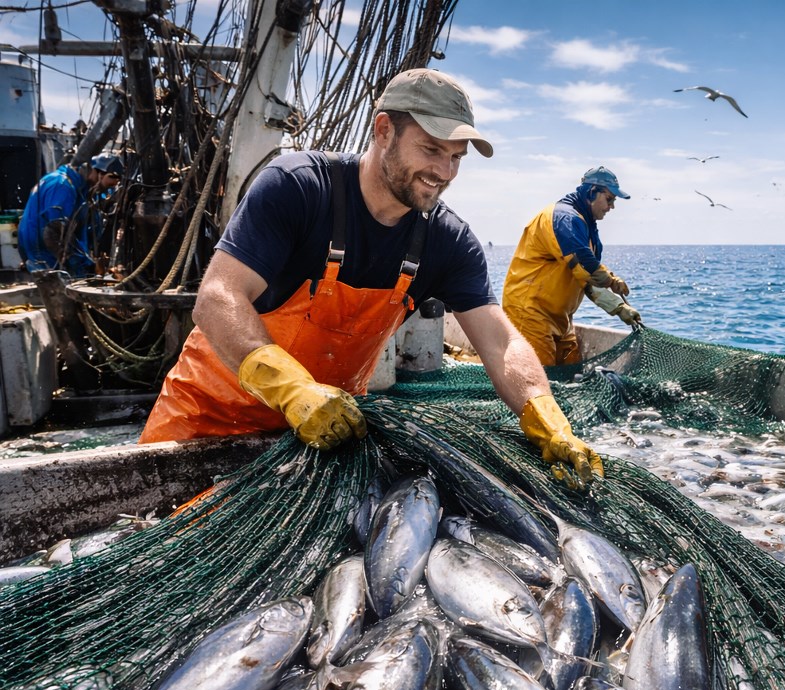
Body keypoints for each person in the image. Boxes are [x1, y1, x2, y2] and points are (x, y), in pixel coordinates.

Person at [139, 69, 602, 485]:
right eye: (431, 149)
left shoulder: (448, 241)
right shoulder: (298, 187)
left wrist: (544, 414)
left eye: (456, 157)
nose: (444, 172)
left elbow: (501, 344)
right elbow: (218, 298)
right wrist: (292, 389)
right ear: (383, 130)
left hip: (321, 444)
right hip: (204, 426)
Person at [502, 166, 641, 367]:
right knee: (538, 377)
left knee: (571, 371)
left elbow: (586, 278)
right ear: (592, 192)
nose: (611, 206)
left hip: (561, 319)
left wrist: (619, 307)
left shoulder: (585, 226)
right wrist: (610, 281)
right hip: (530, 313)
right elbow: (584, 263)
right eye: (609, 199)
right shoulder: (564, 219)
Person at [17, 153, 123, 278]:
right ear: (96, 172)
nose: (109, 187)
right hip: (44, 252)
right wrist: (81, 264)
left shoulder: (74, 187)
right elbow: (54, 232)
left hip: (39, 249)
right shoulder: (62, 185)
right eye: (111, 179)